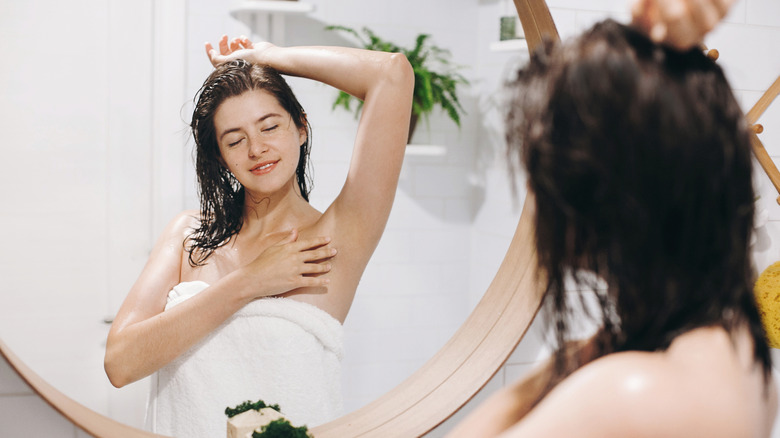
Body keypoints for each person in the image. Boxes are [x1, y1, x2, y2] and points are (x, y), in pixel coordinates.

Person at [449, 9, 776, 438]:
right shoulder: (742, 345)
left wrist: (566, 363)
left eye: (541, 171)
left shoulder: (631, 394)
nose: (534, 189)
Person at [104, 38, 413, 437]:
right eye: (235, 140)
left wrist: (265, 56)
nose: (257, 149)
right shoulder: (188, 235)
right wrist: (251, 281)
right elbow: (120, 363)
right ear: (220, 156)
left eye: (270, 126)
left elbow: (392, 74)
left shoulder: (339, 235)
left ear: (301, 126)